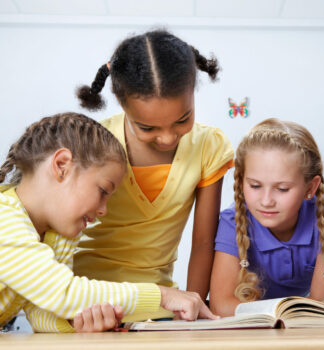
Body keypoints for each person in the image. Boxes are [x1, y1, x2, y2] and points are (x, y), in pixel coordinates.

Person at [0, 113, 216, 333]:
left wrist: (77, 322)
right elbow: (64, 293)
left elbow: (42, 314)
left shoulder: (57, 237)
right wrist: (163, 295)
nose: (103, 210)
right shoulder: (4, 218)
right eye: (103, 191)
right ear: (62, 165)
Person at [74, 29, 234, 320]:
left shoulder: (209, 147)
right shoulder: (94, 142)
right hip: (86, 298)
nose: (167, 138)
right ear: (123, 105)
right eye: (148, 128)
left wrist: (189, 310)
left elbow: (202, 243)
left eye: (182, 120)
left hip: (158, 303)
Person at [209, 118, 324, 317]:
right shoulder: (233, 221)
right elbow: (221, 305)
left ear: (311, 187)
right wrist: (279, 311)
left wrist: (264, 311)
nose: (266, 201)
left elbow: (322, 304)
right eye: (255, 186)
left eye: (282, 189)